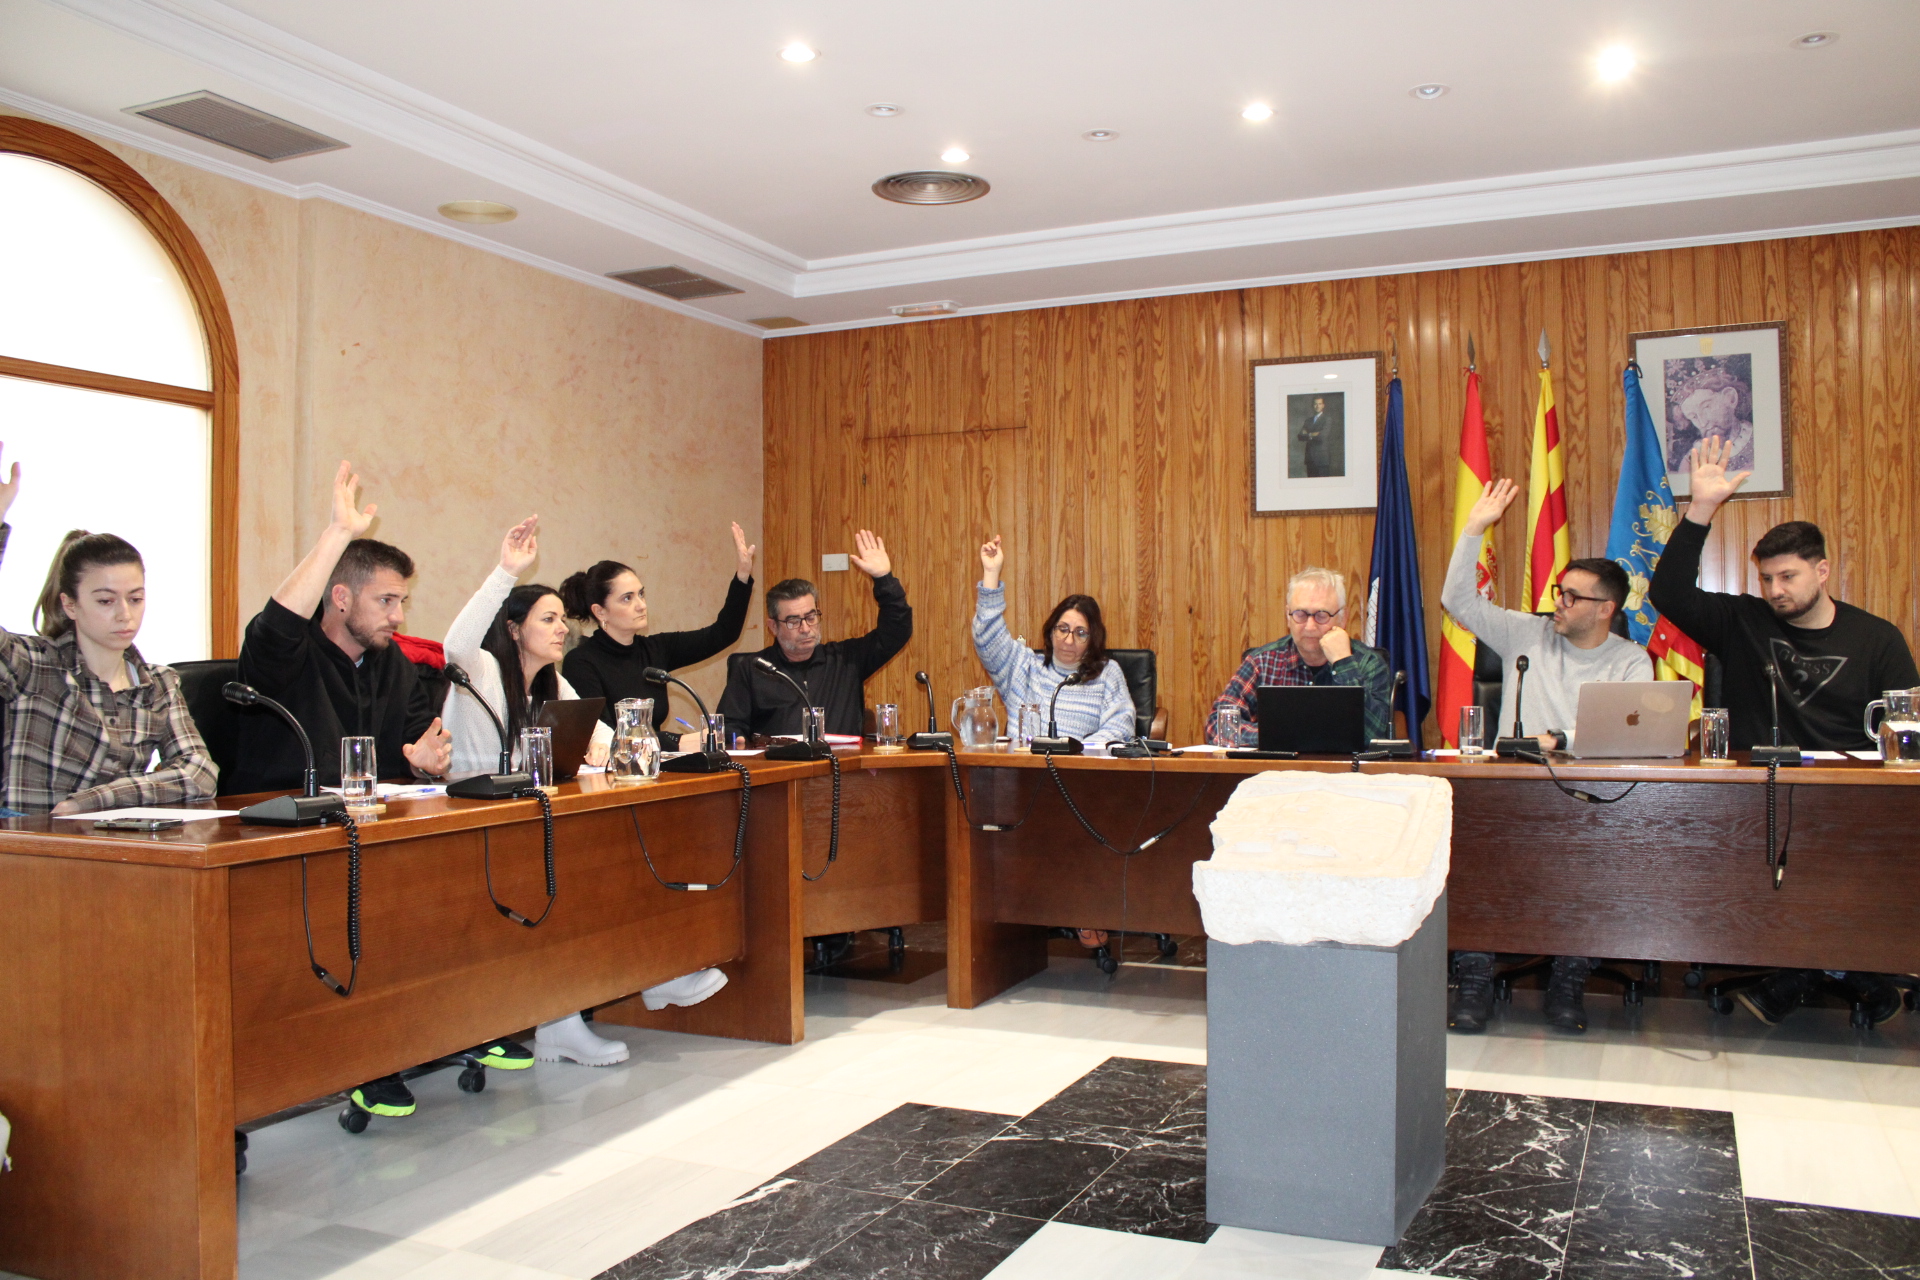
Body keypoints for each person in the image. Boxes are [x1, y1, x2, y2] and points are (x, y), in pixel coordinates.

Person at [235, 462, 509, 1122]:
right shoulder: (289, 655)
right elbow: (274, 625)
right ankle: (369, 1056)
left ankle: (452, 1024)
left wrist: (426, 757)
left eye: (402, 601)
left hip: (366, 832)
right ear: (340, 598)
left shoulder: (392, 665)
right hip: (282, 839)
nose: (399, 615)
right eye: (386, 601)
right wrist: (336, 533)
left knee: (455, 883)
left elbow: (417, 742)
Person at [1650, 437, 1918, 1028]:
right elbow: (1667, 594)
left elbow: (1909, 721)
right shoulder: (1742, 621)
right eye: (1767, 578)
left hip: (1850, 793)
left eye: (1788, 576)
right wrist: (1701, 510)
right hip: (1757, 791)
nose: (1775, 590)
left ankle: (1806, 972)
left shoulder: (1877, 639)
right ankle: (1836, 971)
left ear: (1822, 571)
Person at [443, 517, 726, 1063]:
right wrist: (506, 572)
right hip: (477, 830)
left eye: (560, 619)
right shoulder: (481, 672)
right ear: (513, 630)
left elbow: (611, 743)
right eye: (547, 620)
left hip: (532, 823)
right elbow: (456, 641)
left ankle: (648, 973)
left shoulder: (556, 684)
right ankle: (563, 1020)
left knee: (616, 861)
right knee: (576, 883)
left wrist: (674, 752)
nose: (560, 630)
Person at [1440, 477, 1654, 1035]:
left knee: (1586, 866)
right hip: (1510, 786)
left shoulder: (1632, 661)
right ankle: (1474, 975)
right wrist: (1474, 529)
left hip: (1588, 797)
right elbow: (1457, 602)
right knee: (1475, 859)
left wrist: (1559, 738)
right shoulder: (1526, 636)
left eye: (1572, 597)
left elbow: (1630, 732)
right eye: (1560, 591)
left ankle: (1568, 978)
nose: (1558, 602)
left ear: (1606, 609)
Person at [0, 446, 216, 815]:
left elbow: (200, 773)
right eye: (105, 600)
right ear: (70, 605)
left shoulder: (158, 685)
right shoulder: (33, 664)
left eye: (135, 598)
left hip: (114, 842)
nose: (124, 614)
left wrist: (93, 801)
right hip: (29, 843)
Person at [975, 534, 1136, 952]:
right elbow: (988, 638)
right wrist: (991, 575)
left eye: (1080, 633)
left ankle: (1081, 906)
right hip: (1021, 783)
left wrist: (1079, 753)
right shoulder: (1023, 667)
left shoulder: (1107, 674)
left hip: (1080, 783)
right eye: (1063, 629)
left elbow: (1121, 723)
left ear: (1092, 639)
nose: (1068, 639)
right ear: (1050, 631)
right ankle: (1006, 917)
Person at [561, 523, 756, 751]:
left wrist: (742, 577)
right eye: (627, 598)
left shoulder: (657, 648)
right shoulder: (581, 662)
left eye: (641, 594)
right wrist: (677, 741)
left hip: (659, 764)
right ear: (600, 611)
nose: (641, 605)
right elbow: (605, 734)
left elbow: (723, 633)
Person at [719, 530, 911, 740]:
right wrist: (735, 738)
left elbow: (896, 631)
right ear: (773, 626)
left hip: (843, 760)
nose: (805, 628)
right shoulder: (753, 670)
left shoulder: (846, 660)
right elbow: (729, 725)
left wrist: (884, 579)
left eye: (811, 617)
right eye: (793, 621)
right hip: (779, 760)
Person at [1206, 567, 1393, 747]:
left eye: (1321, 615)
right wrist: (1278, 735)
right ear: (1288, 616)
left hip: (1344, 769)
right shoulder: (1262, 662)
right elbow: (1218, 725)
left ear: (1342, 618)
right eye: (1300, 615)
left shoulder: (1368, 663)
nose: (1310, 627)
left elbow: (1376, 734)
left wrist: (1343, 664)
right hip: (1279, 769)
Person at [1296, 395, 1341, 477]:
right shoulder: (1308, 421)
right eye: (1315, 404)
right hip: (1310, 458)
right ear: (1312, 406)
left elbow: (1322, 436)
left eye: (1320, 404)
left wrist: (1308, 434)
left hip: (1322, 459)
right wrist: (1314, 434)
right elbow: (1300, 436)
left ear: (1323, 405)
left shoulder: (1327, 419)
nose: (1317, 406)